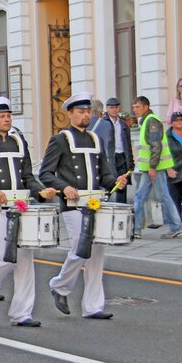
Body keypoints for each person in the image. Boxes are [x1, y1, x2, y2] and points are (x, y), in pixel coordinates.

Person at [0, 97, 57, 326]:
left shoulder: (19, 142)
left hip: (21, 206)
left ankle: (21, 313)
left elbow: (28, 177)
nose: (7, 119)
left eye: (8, 115)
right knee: (7, 256)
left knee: (25, 257)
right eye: (1, 116)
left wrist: (41, 192)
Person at [40, 92, 129, 320]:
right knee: (81, 248)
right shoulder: (60, 139)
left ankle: (92, 307)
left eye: (88, 111)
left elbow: (104, 173)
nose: (86, 115)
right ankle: (59, 285)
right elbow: (46, 174)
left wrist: (116, 182)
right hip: (72, 205)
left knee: (97, 254)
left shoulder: (94, 139)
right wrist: (64, 187)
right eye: (80, 112)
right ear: (70, 114)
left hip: (95, 203)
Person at [131, 96, 182, 239]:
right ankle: (136, 229)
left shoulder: (152, 122)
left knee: (161, 197)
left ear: (146, 107)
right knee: (141, 196)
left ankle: (175, 226)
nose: (134, 109)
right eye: (134, 107)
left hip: (154, 167)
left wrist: (153, 167)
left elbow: (156, 146)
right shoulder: (147, 121)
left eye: (137, 106)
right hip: (150, 167)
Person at [103, 98, 134, 204]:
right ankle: (102, 205)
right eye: (112, 108)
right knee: (109, 183)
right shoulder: (103, 123)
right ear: (107, 108)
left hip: (122, 157)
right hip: (109, 158)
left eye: (116, 107)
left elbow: (128, 144)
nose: (114, 110)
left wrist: (130, 162)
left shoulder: (123, 124)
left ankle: (122, 210)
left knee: (122, 184)